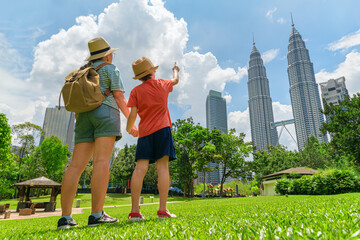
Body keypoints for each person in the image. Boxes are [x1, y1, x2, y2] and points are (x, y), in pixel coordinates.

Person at [57, 37, 138, 229]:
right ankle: (96, 215)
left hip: (83, 117)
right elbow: (118, 96)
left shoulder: (80, 72)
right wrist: (131, 123)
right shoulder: (111, 69)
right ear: (108, 55)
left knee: (75, 166)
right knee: (101, 162)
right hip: (106, 114)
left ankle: (65, 219)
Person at [126, 57, 179, 221]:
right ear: (151, 72)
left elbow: (132, 115)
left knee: (140, 168)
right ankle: (163, 210)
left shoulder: (135, 91)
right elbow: (175, 80)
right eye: (154, 70)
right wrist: (175, 69)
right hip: (163, 129)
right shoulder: (162, 84)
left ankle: (135, 212)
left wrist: (130, 129)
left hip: (145, 133)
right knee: (162, 168)